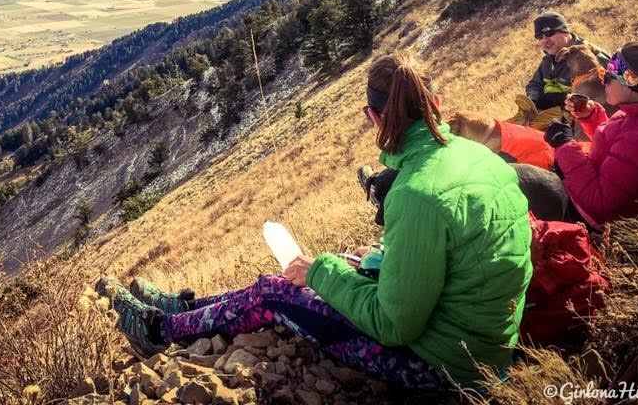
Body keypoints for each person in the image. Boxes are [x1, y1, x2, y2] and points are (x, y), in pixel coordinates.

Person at [96, 53, 533, 388]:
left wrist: (322, 272)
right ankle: (188, 308)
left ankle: (160, 329)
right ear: (436, 104)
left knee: (278, 291)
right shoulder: (484, 159)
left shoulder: (417, 192)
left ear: (374, 118)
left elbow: (394, 325)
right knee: (332, 265)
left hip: (443, 368)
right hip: (481, 344)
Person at [513, 41, 638, 228]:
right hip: (588, 183)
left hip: (584, 214)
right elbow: (618, 144)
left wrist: (564, 143)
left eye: (612, 74)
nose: (603, 77)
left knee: (516, 176)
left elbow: (598, 202)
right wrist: (591, 116)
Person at [526, 11, 610, 113]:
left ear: (565, 31)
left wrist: (562, 99)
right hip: (553, 115)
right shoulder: (549, 58)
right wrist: (533, 99)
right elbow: (534, 84)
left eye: (549, 33)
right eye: (539, 37)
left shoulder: (592, 56)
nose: (544, 40)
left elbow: (609, 95)